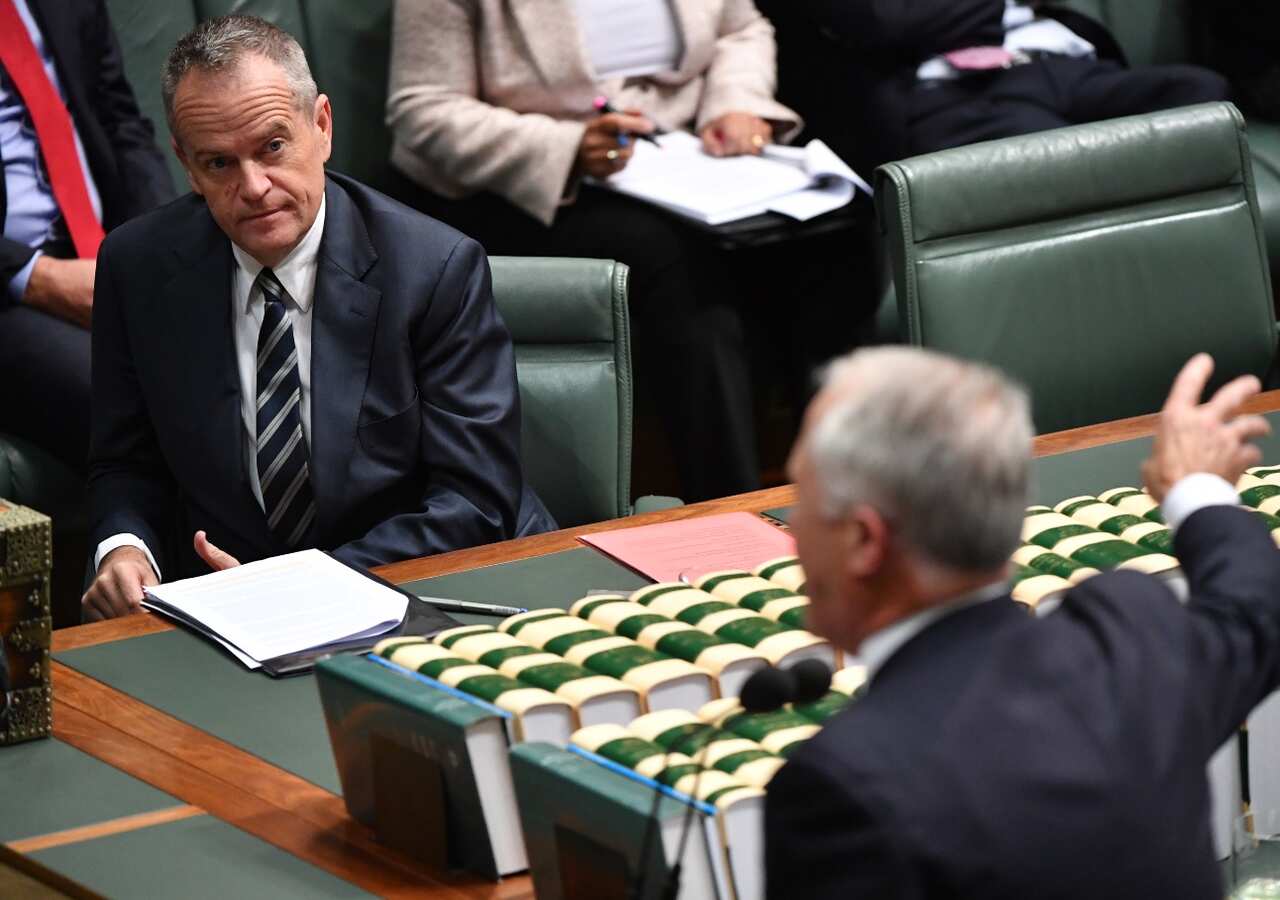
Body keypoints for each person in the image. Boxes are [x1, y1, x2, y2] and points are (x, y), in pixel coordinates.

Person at [81, 15, 555, 622]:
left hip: (419, 598)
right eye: (219, 164)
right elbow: (125, 461)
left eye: (273, 147)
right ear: (186, 164)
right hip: (233, 619)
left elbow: (474, 500)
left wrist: (300, 587)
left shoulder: (435, 267)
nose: (253, 186)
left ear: (322, 127)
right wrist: (124, 547)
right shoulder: (136, 266)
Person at [766, 346, 1280, 898]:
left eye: (803, 502)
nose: (794, 528)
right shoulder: (1133, 640)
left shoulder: (841, 789)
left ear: (865, 541)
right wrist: (1195, 488)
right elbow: (1257, 608)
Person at [385, 0, 867, 502]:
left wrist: (734, 102)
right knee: (677, 261)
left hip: (681, 161)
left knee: (833, 235)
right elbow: (423, 107)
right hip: (521, 182)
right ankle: (728, 506)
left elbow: (741, 29)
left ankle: (850, 494)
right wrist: (568, 146)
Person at [760, 0, 1230, 176]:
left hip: (1059, 61)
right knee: (1044, 148)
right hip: (955, 95)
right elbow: (882, 21)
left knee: (1202, 97)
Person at [0, 0, 174, 471]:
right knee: (133, 392)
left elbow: (120, 119)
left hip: (104, 248)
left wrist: (158, 240)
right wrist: (37, 276)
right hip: (12, 287)